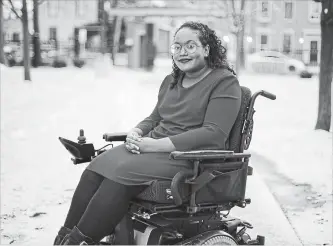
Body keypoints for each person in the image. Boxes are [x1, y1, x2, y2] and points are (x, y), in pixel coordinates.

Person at [53, 21, 241, 245]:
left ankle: (78, 241)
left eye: (191, 46)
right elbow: (155, 118)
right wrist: (137, 131)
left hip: (192, 158)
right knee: (97, 166)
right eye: (177, 47)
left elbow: (214, 134)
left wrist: (152, 145)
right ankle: (63, 238)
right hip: (156, 150)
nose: (182, 52)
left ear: (207, 49)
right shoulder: (171, 81)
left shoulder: (224, 82)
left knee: (122, 174)